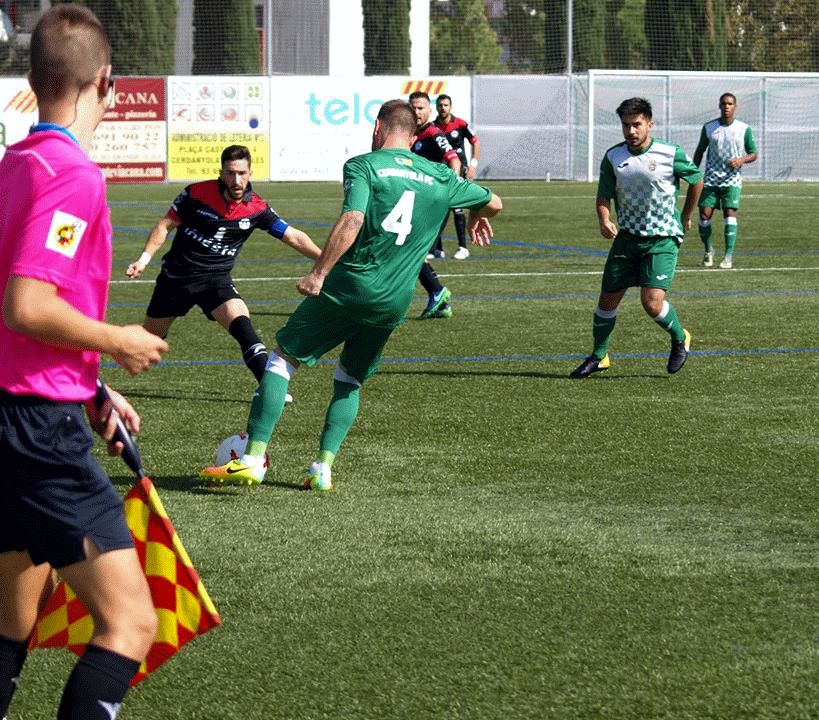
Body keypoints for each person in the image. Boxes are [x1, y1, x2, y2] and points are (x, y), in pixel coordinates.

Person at [0, 5, 169, 719]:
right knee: (131, 623)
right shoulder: (72, 175)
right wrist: (116, 341)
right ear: (108, 81)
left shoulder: (12, 165)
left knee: (12, 619)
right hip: (36, 432)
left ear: (35, 81)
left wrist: (89, 385)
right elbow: (26, 306)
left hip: (13, 415)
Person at [199, 99, 502, 490]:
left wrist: (318, 273)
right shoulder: (440, 176)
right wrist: (478, 215)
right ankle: (322, 468)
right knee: (350, 378)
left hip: (349, 287)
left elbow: (353, 219)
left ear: (378, 127)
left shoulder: (364, 165)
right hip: (394, 301)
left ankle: (253, 458)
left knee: (281, 361)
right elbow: (494, 202)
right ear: (414, 136)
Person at [125, 145, 321, 394]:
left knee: (244, 328)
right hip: (176, 278)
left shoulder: (257, 208)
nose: (236, 180)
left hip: (215, 281)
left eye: (241, 173)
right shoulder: (196, 193)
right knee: (148, 344)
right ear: (221, 173)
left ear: (250, 173)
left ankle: (272, 391)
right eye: (230, 173)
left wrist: (326, 261)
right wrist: (143, 260)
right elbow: (165, 226)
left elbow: (294, 237)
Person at [570, 97, 702, 379]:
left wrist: (686, 214)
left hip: (662, 239)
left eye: (637, 125)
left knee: (651, 302)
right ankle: (600, 355)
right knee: (606, 302)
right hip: (627, 240)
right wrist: (604, 219)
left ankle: (681, 337)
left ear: (649, 125)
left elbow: (697, 179)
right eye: (626, 125)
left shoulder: (670, 153)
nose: (631, 131)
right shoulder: (614, 157)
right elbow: (604, 194)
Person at [409, 90, 460, 318]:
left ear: (429, 110)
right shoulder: (411, 134)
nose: (416, 112)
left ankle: (437, 292)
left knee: (411, 250)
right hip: (416, 203)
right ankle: (440, 301)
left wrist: (452, 191)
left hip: (433, 204)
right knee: (410, 250)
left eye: (421, 108)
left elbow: (454, 160)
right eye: (413, 108)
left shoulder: (433, 133)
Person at [692, 92, 758, 269]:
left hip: (732, 180)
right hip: (711, 179)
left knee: (730, 214)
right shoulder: (709, 127)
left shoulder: (744, 128)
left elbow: (754, 153)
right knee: (704, 216)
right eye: (724, 103)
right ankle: (709, 251)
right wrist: (691, 172)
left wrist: (741, 160)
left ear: (735, 107)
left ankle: (728, 256)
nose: (727, 106)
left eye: (730, 104)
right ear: (719, 106)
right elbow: (700, 151)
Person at [430, 93, 481, 260]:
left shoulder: (460, 124)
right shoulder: (433, 127)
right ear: (436, 107)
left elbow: (475, 141)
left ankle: (463, 248)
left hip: (460, 171)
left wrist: (473, 164)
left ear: (450, 107)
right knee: (439, 209)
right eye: (440, 105)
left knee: (457, 208)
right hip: (442, 173)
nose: (442, 108)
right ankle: (438, 249)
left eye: (445, 105)